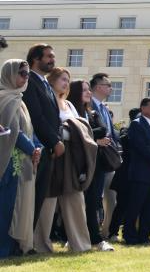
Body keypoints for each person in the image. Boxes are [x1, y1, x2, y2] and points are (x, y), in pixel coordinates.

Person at [34, 68, 96, 253]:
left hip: (70, 156)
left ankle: (81, 245)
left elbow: (80, 127)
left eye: (67, 80)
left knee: (75, 198)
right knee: (47, 200)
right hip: (52, 153)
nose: (66, 83)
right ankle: (41, 245)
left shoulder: (68, 104)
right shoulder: (46, 100)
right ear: (51, 80)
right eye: (62, 79)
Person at [0, 59, 42, 257]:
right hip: (7, 161)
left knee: (16, 206)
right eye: (22, 73)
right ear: (9, 74)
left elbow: (29, 129)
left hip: (23, 160)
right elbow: (13, 131)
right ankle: (3, 249)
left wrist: (37, 148)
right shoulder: (5, 98)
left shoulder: (19, 99)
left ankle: (13, 246)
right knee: (5, 206)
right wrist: (32, 149)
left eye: (28, 74)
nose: (26, 78)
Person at [68, 79, 115, 252]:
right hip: (77, 163)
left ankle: (95, 238)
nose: (89, 93)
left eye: (89, 89)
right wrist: (93, 138)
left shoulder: (93, 113)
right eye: (84, 90)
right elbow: (73, 134)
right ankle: (72, 237)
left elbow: (103, 130)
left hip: (96, 163)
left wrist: (88, 135)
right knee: (76, 202)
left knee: (94, 201)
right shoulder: (71, 112)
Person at [22, 44, 62, 228]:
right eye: (48, 56)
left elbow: (54, 117)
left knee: (38, 198)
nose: (52, 60)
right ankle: (21, 240)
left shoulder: (45, 83)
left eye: (53, 56)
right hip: (35, 148)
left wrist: (55, 142)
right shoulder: (29, 81)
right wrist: (55, 141)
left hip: (48, 150)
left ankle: (28, 239)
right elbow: (37, 117)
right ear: (35, 59)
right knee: (29, 200)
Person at [123, 98, 150, 245]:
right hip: (140, 173)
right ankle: (130, 236)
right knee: (135, 206)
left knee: (149, 208)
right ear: (143, 108)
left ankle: (144, 237)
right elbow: (141, 146)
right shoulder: (137, 124)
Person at [89, 73, 120, 248]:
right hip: (94, 158)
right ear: (98, 87)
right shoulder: (88, 105)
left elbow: (112, 133)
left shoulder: (104, 108)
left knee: (111, 197)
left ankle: (106, 232)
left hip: (108, 158)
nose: (111, 88)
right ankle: (92, 234)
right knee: (94, 198)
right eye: (108, 85)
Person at [106, 107, 140, 241]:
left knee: (134, 205)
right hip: (125, 176)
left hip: (137, 174)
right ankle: (113, 232)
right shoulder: (126, 131)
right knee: (121, 205)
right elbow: (125, 141)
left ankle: (130, 230)